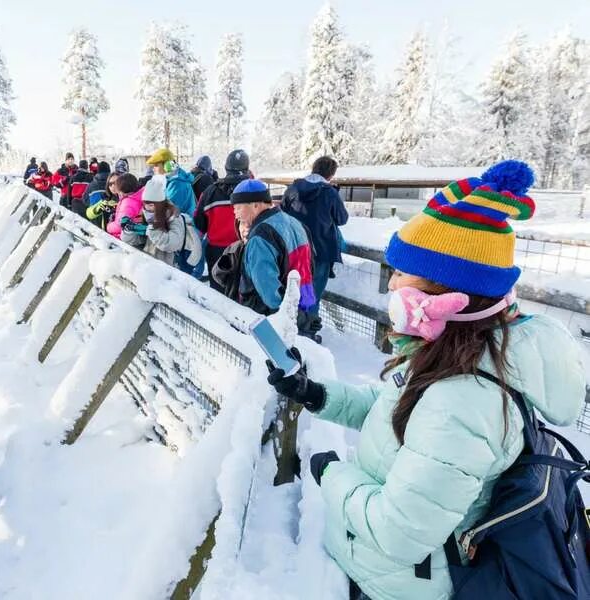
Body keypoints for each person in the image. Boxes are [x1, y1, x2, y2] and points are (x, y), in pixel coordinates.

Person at [265, 160, 586, 600]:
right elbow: (399, 408)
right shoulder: (462, 356)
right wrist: (318, 394)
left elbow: (398, 532)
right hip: (388, 568)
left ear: (446, 293)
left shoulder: (465, 401)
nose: (391, 285)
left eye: (400, 273)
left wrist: (331, 472)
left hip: (397, 585)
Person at [283, 156, 349, 340]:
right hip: (321, 251)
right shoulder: (329, 193)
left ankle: (291, 329)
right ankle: (308, 334)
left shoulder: (293, 188)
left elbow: (283, 211)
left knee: (294, 290)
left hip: (295, 247)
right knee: (313, 293)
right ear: (331, 174)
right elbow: (342, 218)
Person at [231, 179, 315, 315]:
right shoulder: (295, 223)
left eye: (238, 207)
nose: (235, 214)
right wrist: (302, 315)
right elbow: (310, 265)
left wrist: (289, 313)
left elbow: (268, 289)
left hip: (272, 317)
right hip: (303, 303)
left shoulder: (260, 237)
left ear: (255, 205)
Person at [194, 149, 252, 292]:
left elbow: (199, 222)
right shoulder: (256, 191)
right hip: (246, 249)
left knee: (218, 293)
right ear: (247, 169)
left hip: (217, 252)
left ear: (226, 168)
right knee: (243, 292)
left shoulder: (210, 192)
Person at [120, 175, 201, 268]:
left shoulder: (174, 217)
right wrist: (129, 230)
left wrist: (150, 231)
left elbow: (172, 244)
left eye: (151, 205)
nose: (147, 208)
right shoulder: (146, 216)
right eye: (145, 204)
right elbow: (137, 241)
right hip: (150, 267)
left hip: (170, 271)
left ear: (160, 204)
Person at [146, 148, 196, 218]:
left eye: (156, 165)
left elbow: (167, 212)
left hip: (183, 227)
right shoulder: (170, 181)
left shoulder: (177, 184)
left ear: (167, 165)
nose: (153, 168)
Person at [106, 173, 144, 241]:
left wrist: (108, 226)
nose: (114, 186)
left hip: (122, 239)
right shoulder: (138, 195)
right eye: (110, 184)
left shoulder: (128, 203)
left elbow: (119, 226)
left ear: (121, 190)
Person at [82, 161, 113, 226]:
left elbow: (85, 200)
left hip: (94, 218)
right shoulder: (113, 184)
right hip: (110, 218)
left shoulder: (91, 185)